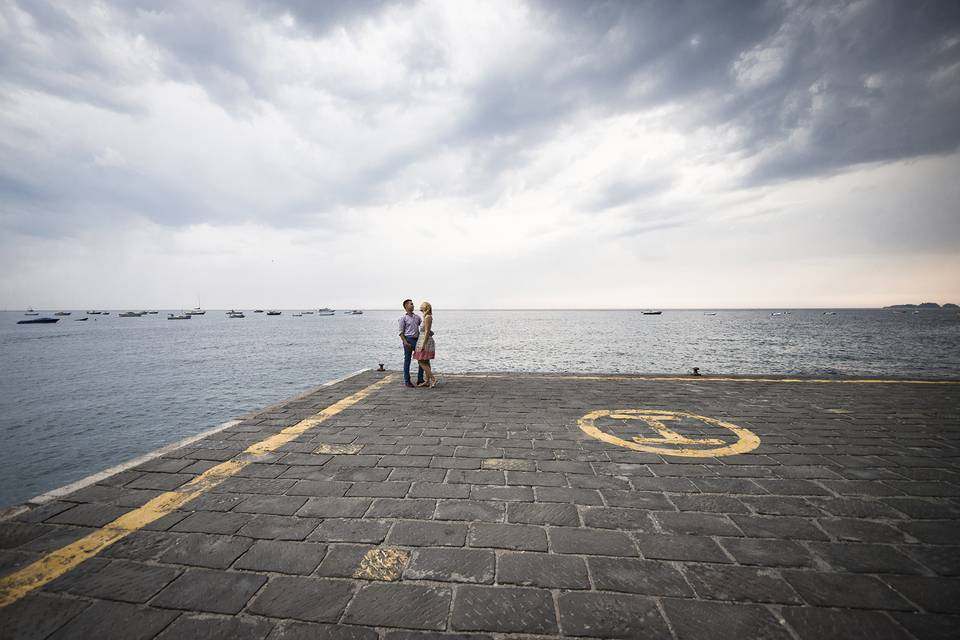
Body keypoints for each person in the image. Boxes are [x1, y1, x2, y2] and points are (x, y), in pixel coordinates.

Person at [398, 299, 423, 388]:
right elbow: (401, 332)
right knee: (407, 361)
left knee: (422, 360)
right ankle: (407, 381)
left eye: (413, 304)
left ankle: (420, 380)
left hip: (418, 340)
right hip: (408, 340)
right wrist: (405, 342)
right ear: (406, 306)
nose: (413, 306)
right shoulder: (402, 318)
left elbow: (423, 327)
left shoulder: (417, 317)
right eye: (411, 304)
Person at [413, 301, 438, 388]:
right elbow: (429, 331)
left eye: (422, 305)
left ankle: (433, 379)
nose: (420, 306)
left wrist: (423, 344)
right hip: (423, 339)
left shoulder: (428, 317)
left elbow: (427, 331)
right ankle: (427, 381)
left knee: (420, 360)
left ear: (426, 307)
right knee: (426, 361)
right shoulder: (425, 317)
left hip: (425, 340)